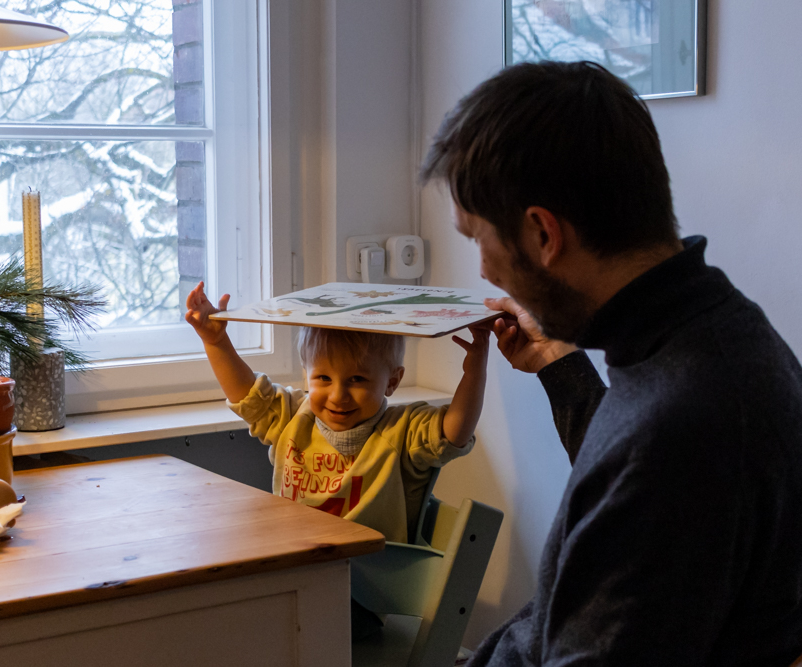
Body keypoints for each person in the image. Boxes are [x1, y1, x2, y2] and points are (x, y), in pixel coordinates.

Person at [421, 61, 802, 665]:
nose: (484, 271)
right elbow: (626, 484)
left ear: (543, 234)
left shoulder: (682, 430)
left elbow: (645, 467)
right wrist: (557, 364)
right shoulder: (715, 334)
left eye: (477, 239)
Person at [184, 280, 487, 545]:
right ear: (306, 376)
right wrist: (216, 341)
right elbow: (247, 395)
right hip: (296, 565)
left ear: (392, 381)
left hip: (369, 584)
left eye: (357, 380)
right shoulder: (292, 417)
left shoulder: (402, 430)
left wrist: (474, 372)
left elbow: (453, 433)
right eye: (324, 379)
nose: (338, 396)